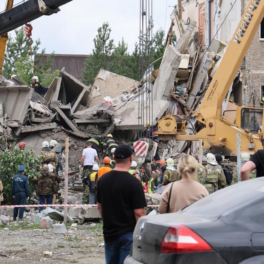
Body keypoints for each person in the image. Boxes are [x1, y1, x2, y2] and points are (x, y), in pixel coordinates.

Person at [97, 145, 146, 264]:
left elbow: (99, 206)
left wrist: (109, 220)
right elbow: (139, 213)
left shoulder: (103, 180)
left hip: (109, 232)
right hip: (128, 234)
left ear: (114, 158)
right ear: (131, 158)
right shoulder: (134, 183)